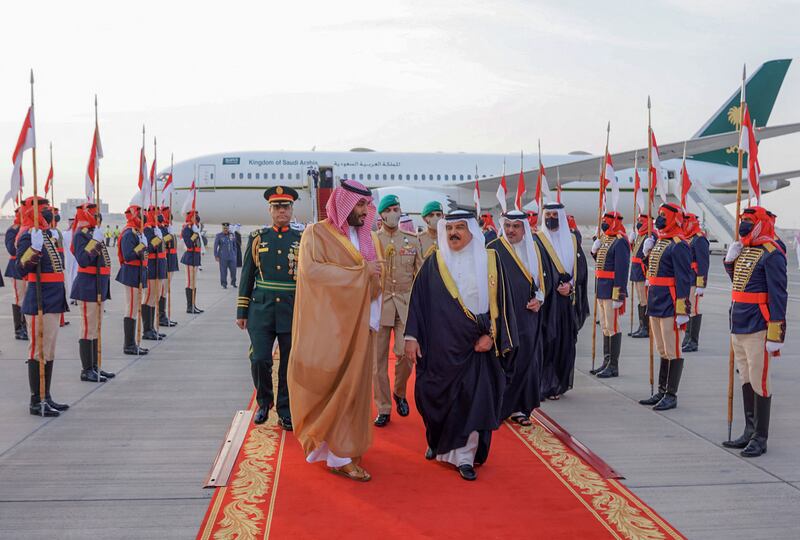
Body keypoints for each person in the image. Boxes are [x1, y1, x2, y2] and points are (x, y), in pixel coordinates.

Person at [404, 210, 516, 481]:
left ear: (472, 231)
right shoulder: (434, 262)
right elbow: (417, 303)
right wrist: (411, 337)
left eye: (460, 228)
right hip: (439, 347)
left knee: (474, 400)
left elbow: (503, 302)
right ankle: (437, 442)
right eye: (450, 227)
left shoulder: (491, 261)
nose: (453, 233)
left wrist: (492, 335)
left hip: (476, 347)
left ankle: (465, 456)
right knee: (431, 396)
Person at [288, 179, 382, 482]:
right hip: (329, 329)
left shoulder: (366, 238)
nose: (364, 211)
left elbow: (374, 281)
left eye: (366, 205)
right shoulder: (315, 234)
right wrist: (360, 273)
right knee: (331, 387)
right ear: (343, 204)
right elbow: (312, 272)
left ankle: (343, 451)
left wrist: (370, 277)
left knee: (354, 391)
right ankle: (334, 451)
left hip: (360, 325)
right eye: (359, 205)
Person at [721, 206, 787, 457]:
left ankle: (761, 437)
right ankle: (749, 430)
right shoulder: (746, 249)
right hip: (738, 322)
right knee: (745, 378)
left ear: (761, 224)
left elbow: (779, 295)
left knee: (760, 380)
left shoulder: (772, 253)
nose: (745, 225)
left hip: (759, 325)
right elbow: (740, 283)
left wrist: (775, 333)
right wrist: (730, 262)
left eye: (750, 221)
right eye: (743, 220)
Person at [237, 187, 301, 430]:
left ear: (292, 209)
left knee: (288, 365)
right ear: (270, 210)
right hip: (261, 310)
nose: (281, 210)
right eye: (277, 207)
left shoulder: (301, 240)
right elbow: (247, 276)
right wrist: (242, 311)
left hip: (291, 309)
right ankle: (264, 402)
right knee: (260, 359)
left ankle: (285, 411)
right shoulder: (258, 238)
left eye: (285, 206)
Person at [488, 210, 544, 426]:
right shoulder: (494, 249)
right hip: (500, 317)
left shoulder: (534, 250)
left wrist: (539, 299)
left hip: (526, 315)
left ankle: (520, 408)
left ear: (524, 229)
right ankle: (498, 406)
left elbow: (541, 281)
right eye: (508, 225)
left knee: (526, 360)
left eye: (516, 226)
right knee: (503, 360)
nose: (511, 230)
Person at [16, 197, 69, 417]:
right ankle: (36, 400)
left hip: (53, 298)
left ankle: (46, 395)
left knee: (49, 350)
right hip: (40, 298)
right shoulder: (29, 235)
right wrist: (34, 248)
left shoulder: (46, 235)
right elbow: (22, 267)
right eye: (44, 210)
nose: (49, 213)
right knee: (38, 350)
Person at [373, 195, 423, 427]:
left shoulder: (412, 240)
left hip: (405, 303)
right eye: (390, 209)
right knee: (378, 361)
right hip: (379, 303)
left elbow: (420, 275)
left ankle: (399, 392)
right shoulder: (372, 241)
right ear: (381, 214)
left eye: (397, 209)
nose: (394, 213)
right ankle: (383, 407)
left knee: (405, 354)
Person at [638, 202, 692, 411]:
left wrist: (682, 310)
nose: (659, 218)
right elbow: (652, 271)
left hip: (670, 303)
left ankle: (671, 394)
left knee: (672, 349)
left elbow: (683, 279)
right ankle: (661, 390)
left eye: (663, 215)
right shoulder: (660, 241)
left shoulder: (679, 244)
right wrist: (646, 254)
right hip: (655, 301)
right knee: (661, 348)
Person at [534, 203, 583, 400]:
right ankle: (542, 384)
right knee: (545, 343)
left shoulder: (571, 240)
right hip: (545, 302)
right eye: (548, 214)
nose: (551, 218)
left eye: (555, 214)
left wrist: (570, 286)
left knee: (563, 343)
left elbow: (581, 271)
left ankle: (556, 385)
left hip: (564, 303)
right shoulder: (537, 240)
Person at [70, 203, 115, 382]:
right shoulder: (81, 235)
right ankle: (86, 369)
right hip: (88, 286)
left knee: (96, 328)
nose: (98, 217)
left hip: (98, 286)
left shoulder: (92, 234)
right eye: (95, 214)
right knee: (88, 329)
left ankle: (95, 366)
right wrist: (95, 241)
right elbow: (82, 260)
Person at [589, 211, 630, 378]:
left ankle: (613, 366)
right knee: (605, 326)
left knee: (613, 327)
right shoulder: (606, 239)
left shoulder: (620, 241)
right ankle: (606, 362)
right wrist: (594, 251)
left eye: (606, 221)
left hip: (611, 289)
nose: (603, 224)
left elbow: (621, 269)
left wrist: (618, 294)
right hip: (601, 288)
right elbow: (602, 263)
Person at [115, 205, 149, 356]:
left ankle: (133, 343)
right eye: (140, 213)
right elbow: (128, 255)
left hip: (138, 271)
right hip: (131, 271)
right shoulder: (129, 233)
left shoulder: (137, 232)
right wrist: (141, 247)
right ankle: (128, 344)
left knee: (135, 308)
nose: (143, 216)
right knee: (131, 307)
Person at [682, 213, 710, 353]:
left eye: (685, 221)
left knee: (693, 309)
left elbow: (703, 263)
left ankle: (693, 341)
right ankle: (687, 338)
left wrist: (701, 284)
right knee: (686, 309)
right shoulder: (687, 238)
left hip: (694, 279)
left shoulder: (699, 239)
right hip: (686, 279)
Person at [142, 206, 167, 341]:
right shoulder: (146, 229)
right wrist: (158, 238)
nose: (159, 216)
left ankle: (152, 328)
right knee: (149, 297)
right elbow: (150, 248)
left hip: (159, 265)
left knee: (155, 297)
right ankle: (147, 329)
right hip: (152, 266)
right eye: (156, 214)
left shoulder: (155, 229)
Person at [629, 214, 655, 338]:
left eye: (641, 221)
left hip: (643, 270)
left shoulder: (651, 235)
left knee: (644, 299)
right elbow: (635, 252)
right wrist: (631, 242)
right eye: (638, 220)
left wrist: (648, 276)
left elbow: (650, 256)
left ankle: (646, 327)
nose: (639, 223)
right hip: (636, 270)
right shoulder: (640, 234)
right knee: (640, 299)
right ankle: (641, 325)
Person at [6, 207, 29, 340]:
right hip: (16, 267)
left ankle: (27, 326)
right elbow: (11, 250)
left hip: (27, 266)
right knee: (19, 298)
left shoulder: (28, 229)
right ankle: (19, 329)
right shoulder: (13, 230)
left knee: (27, 297)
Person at [158, 206, 178, 327]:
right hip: (166, 259)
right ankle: (161, 316)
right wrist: (169, 235)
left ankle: (163, 315)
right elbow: (162, 242)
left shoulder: (166, 228)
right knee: (163, 289)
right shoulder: (160, 229)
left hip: (171, 259)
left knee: (166, 289)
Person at [181, 210, 204, 314]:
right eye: (195, 216)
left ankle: (194, 305)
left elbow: (198, 244)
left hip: (195, 257)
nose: (197, 218)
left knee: (194, 283)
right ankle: (189, 306)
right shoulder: (187, 229)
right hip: (190, 257)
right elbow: (189, 244)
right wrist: (195, 234)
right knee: (190, 282)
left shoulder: (195, 228)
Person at [214, 222, 238, 289]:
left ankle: (233, 283)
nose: (225, 229)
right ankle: (224, 284)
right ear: (222, 228)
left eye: (227, 228)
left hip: (232, 257)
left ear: (228, 228)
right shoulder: (219, 235)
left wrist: (235, 254)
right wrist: (216, 255)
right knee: (223, 271)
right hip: (223, 257)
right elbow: (215, 246)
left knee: (234, 271)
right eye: (224, 228)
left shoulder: (232, 235)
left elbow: (235, 246)